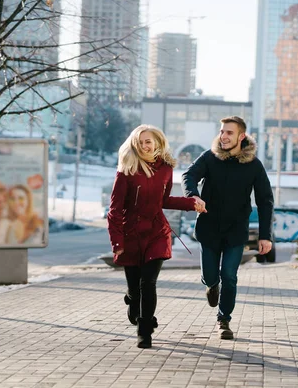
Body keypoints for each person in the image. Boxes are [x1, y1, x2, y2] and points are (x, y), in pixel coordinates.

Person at [107, 124, 206, 349]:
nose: (144, 145)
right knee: (135, 289)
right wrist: (117, 242)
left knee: (148, 282)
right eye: (140, 142)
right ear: (135, 144)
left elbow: (164, 201)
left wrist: (191, 202)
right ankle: (132, 300)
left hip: (156, 232)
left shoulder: (165, 169)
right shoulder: (126, 170)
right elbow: (114, 210)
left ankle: (145, 330)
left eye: (149, 141)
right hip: (131, 234)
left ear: (158, 143)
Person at [181, 116, 274, 340]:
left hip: (235, 230)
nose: (223, 136)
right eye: (222, 131)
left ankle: (224, 320)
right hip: (209, 228)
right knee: (211, 276)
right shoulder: (210, 157)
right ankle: (211, 285)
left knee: (230, 276)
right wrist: (193, 195)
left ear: (241, 136)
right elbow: (189, 175)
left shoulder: (254, 165)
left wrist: (265, 236)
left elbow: (265, 200)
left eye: (229, 133)